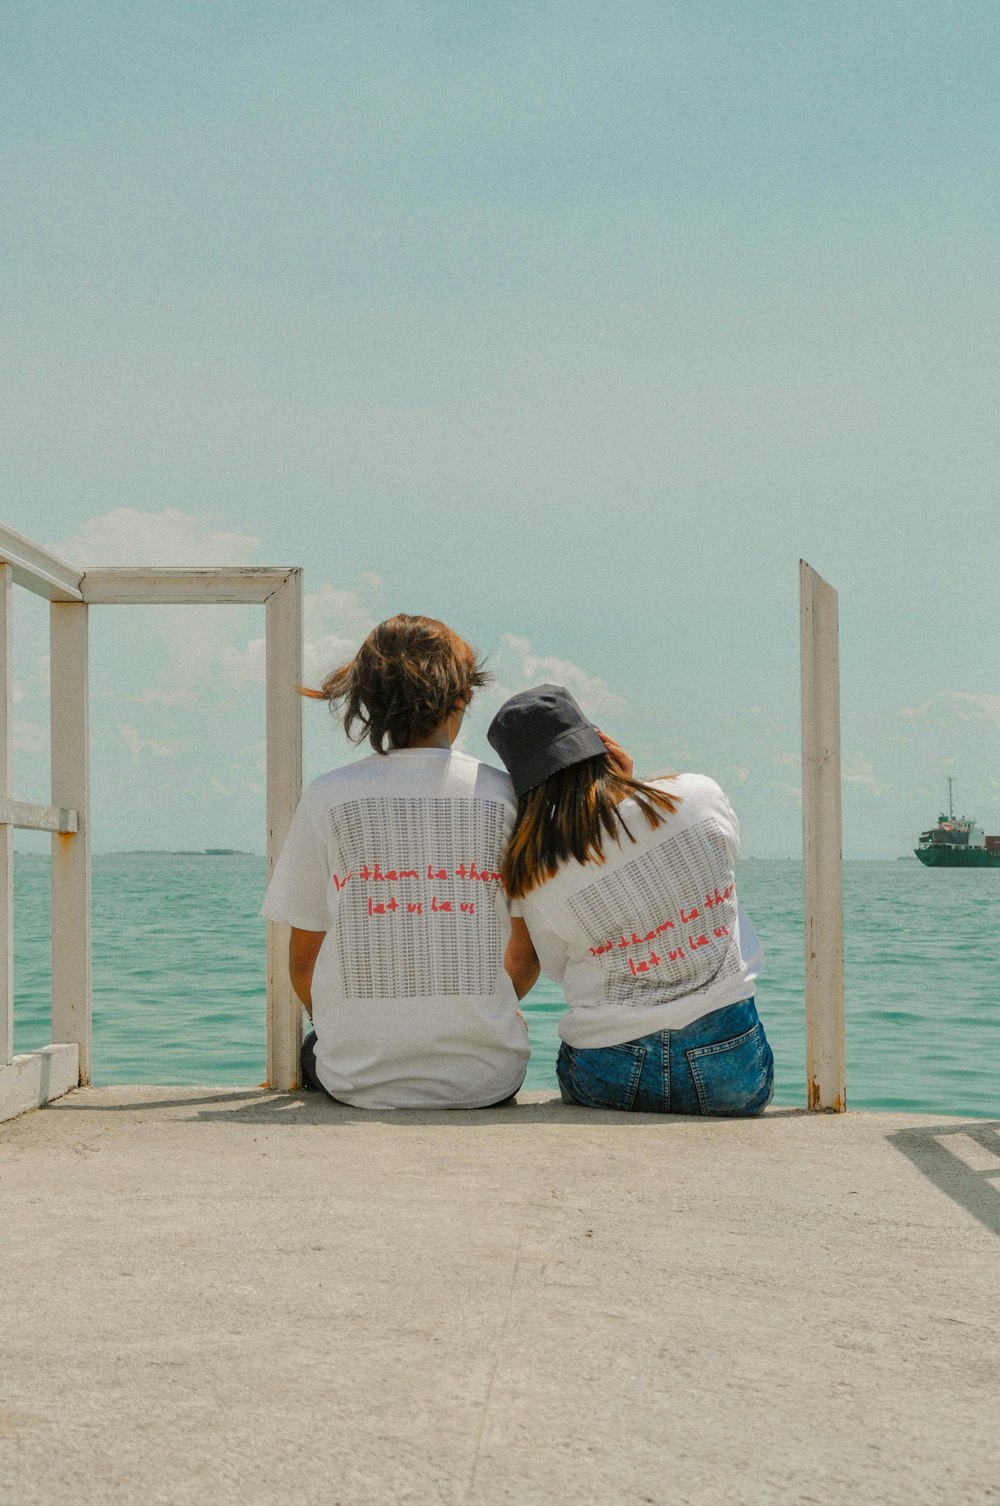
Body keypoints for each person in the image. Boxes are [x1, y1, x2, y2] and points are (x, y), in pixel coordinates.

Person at [262, 615, 534, 1109]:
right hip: (487, 1079)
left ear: (368, 703)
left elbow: (303, 964)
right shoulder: (506, 795)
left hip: (358, 1082)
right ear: (460, 698)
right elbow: (525, 958)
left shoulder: (328, 796)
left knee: (312, 1051)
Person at [487, 684, 773, 1115]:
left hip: (609, 1071)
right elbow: (720, 861)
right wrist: (628, 784)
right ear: (601, 745)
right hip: (729, 1061)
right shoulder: (696, 796)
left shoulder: (534, 875)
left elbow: (552, 965)